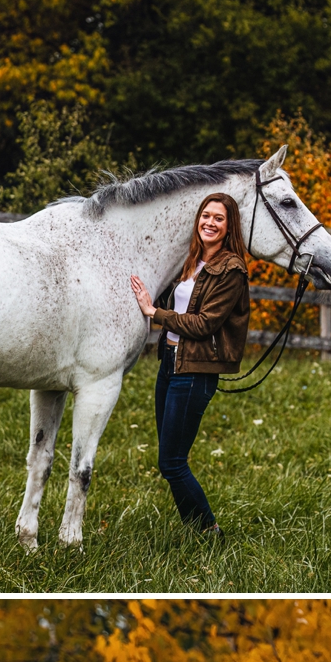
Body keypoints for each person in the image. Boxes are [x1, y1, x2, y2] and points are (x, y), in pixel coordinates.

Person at [129, 193, 250, 535]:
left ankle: (209, 531)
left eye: (219, 219)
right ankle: (198, 529)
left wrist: (155, 313)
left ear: (229, 227)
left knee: (172, 462)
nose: (210, 223)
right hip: (170, 363)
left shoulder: (231, 269)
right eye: (206, 216)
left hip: (195, 370)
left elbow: (203, 324)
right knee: (169, 461)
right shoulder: (192, 260)